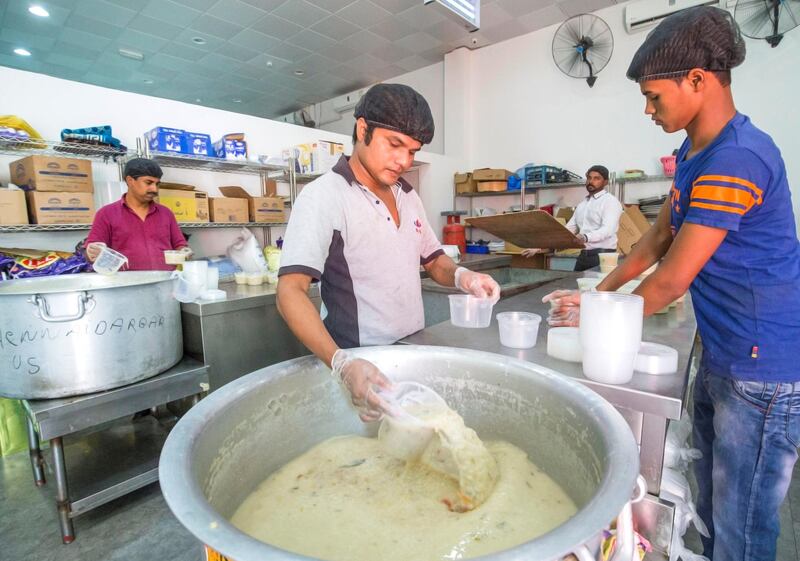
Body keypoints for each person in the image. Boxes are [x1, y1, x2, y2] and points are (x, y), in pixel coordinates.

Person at [545, 7, 800, 561]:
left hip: (763, 369)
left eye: (654, 96)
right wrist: (600, 293)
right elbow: (655, 242)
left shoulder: (736, 157)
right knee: (712, 504)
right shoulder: (693, 150)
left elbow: (672, 279)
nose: (648, 108)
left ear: (698, 81)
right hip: (726, 351)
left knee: (742, 525)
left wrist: (594, 320)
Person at [277, 84, 500, 421]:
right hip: (361, 367)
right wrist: (342, 364)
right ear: (362, 129)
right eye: (394, 145)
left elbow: (434, 261)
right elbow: (289, 292)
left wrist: (463, 276)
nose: (404, 161)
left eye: (412, 151)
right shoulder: (324, 197)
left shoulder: (409, 197)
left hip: (412, 354)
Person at [85, 158, 192, 271]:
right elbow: (92, 250)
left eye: (157, 184)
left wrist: (184, 251)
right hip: (126, 284)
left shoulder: (166, 213)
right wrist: (92, 251)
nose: (154, 189)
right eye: (148, 182)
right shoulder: (106, 214)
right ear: (130, 181)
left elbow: (179, 244)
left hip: (165, 282)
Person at [522, 165, 622, 271]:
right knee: (575, 285)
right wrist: (539, 247)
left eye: (596, 178)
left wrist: (585, 237)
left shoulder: (610, 202)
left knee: (598, 287)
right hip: (583, 256)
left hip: (603, 257)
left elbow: (608, 229)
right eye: (589, 178)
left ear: (605, 182)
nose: (591, 181)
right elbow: (567, 230)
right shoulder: (582, 204)